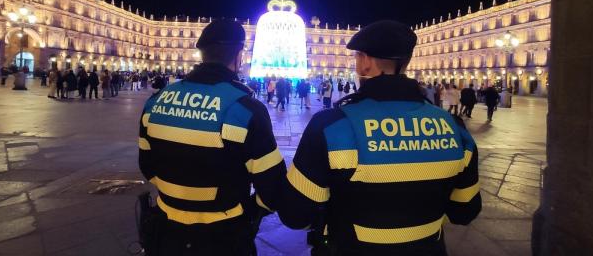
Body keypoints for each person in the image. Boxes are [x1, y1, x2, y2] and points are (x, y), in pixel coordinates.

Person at [278, 20, 481, 255]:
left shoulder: (333, 126)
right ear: (405, 62)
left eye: (356, 57)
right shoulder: (454, 128)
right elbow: (465, 211)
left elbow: (295, 214)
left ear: (364, 62)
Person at [138, 19, 285, 255]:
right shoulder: (244, 109)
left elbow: (147, 167)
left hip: (165, 232)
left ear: (202, 52)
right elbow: (273, 188)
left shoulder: (156, 102)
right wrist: (249, 210)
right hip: (224, 235)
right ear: (239, 55)